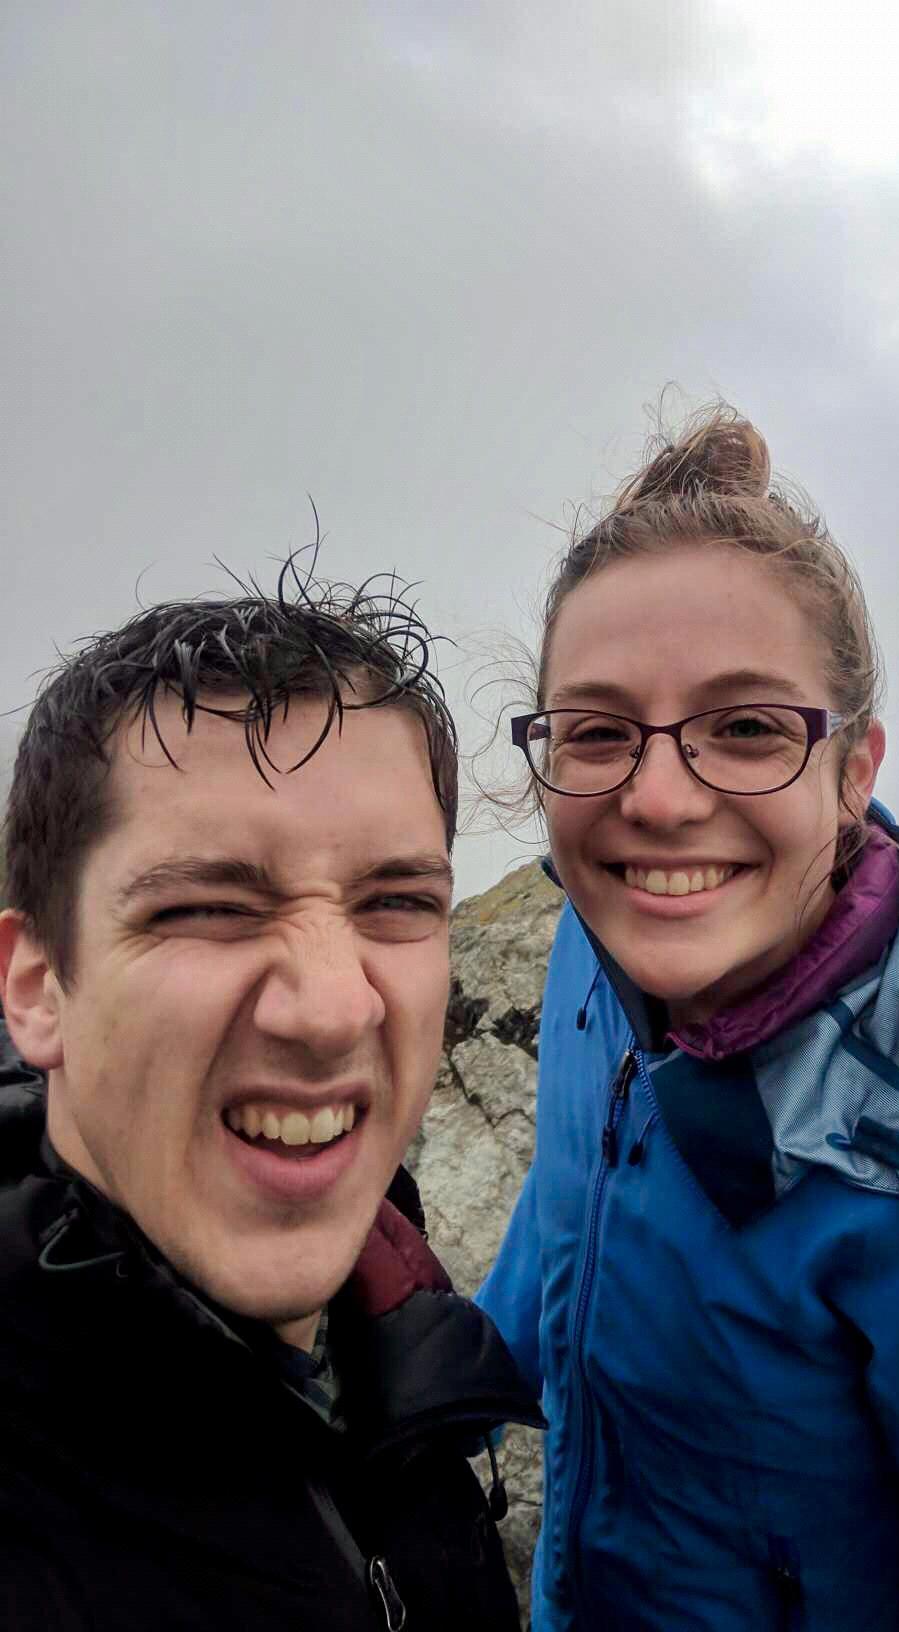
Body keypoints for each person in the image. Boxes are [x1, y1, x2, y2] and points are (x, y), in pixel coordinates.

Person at [477, 406, 899, 1631]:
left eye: (745, 729)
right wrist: (436, 1370)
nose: (658, 800)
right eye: (600, 732)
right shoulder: (597, 945)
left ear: (855, 770)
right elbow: (573, 1207)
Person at [0, 561, 542, 1631]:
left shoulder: (400, 1354)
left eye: (395, 901)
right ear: (35, 986)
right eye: (208, 907)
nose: (333, 1008)